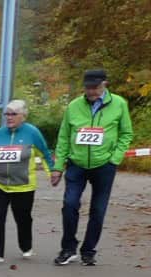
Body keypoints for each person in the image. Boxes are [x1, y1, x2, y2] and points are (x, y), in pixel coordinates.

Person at [51, 68, 135, 266]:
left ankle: (88, 251)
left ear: (105, 84)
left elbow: (126, 134)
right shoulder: (73, 106)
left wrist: (114, 158)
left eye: (95, 87)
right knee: (70, 204)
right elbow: (63, 137)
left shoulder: (119, 104)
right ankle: (68, 248)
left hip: (104, 165)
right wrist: (57, 166)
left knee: (98, 209)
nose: (91, 92)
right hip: (76, 163)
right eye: (88, 88)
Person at [0, 100, 54, 264]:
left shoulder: (32, 133)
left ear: (23, 116)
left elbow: (45, 154)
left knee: (23, 218)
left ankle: (26, 246)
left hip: (23, 186)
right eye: (6, 113)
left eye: (13, 114)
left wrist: (52, 173)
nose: (9, 117)